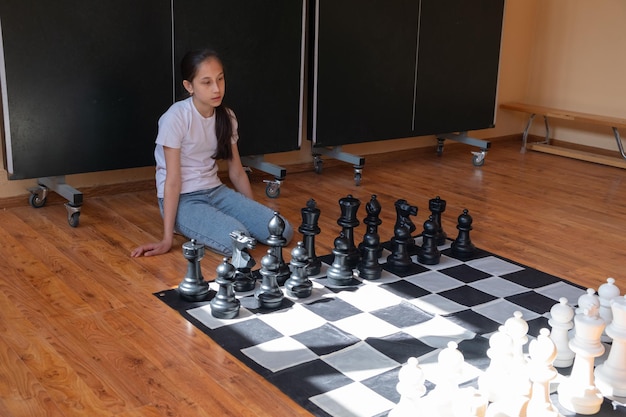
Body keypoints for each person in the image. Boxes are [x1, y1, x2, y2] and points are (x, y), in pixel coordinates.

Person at [131, 49, 293, 257]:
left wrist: (250, 211)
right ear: (189, 86)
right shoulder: (175, 118)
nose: (216, 89)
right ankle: (183, 225)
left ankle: (214, 224)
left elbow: (236, 172)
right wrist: (166, 239)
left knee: (281, 231)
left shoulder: (227, 116)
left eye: (220, 79)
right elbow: (172, 180)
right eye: (206, 82)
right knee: (239, 241)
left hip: (216, 191)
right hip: (183, 199)